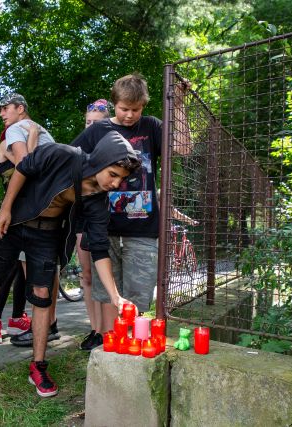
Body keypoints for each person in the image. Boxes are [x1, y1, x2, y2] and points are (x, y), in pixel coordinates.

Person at [0, 130, 140, 398]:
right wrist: (6, 208)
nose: (115, 183)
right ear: (101, 160)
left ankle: (38, 365)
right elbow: (23, 169)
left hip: (46, 234)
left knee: (43, 295)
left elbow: (100, 250)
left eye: (121, 179)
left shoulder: (98, 200)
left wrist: (115, 296)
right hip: (15, 221)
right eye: (113, 174)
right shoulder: (61, 154)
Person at [71, 74, 196, 333]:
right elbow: (72, 161)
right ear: (114, 104)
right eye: (124, 109)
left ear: (143, 106)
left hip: (143, 228)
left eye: (135, 109)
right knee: (108, 293)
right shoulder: (99, 131)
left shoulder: (150, 126)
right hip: (104, 224)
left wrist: (181, 104)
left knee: (138, 293)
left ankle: (130, 339)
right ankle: (108, 342)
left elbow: (183, 147)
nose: (129, 115)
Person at [0, 93, 61, 347]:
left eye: (5, 108)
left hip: (26, 211)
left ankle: (19, 322)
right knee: (27, 271)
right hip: (38, 210)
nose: (1, 114)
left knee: (18, 271)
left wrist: (27, 142)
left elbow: (26, 165)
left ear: (20, 108)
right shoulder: (42, 133)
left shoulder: (20, 129)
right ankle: (38, 322)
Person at [0, 122, 40, 344]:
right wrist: (34, 134)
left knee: (21, 271)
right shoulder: (5, 145)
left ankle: (17, 318)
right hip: (11, 213)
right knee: (5, 271)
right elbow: (29, 164)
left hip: (28, 213)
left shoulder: (20, 144)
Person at [78, 99, 110, 351]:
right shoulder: (79, 149)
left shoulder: (114, 151)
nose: (91, 128)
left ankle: (107, 329)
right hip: (80, 216)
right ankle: (94, 328)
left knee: (103, 275)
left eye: (96, 124)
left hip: (104, 217)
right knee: (87, 275)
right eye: (88, 122)